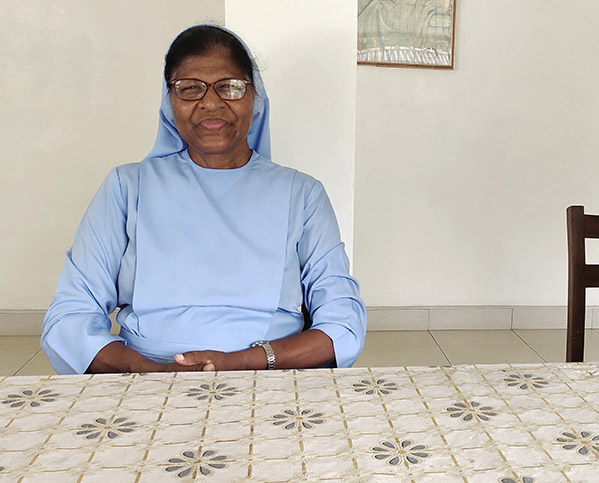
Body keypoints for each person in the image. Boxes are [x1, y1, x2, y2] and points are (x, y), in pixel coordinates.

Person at [41, 25, 366, 374]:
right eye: (190, 88)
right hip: (143, 382)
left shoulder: (301, 194)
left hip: (270, 379)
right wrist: (155, 373)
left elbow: (343, 325)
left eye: (230, 87)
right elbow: (68, 320)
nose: (210, 103)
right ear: (169, 102)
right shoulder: (127, 187)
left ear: (255, 98)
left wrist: (240, 362)